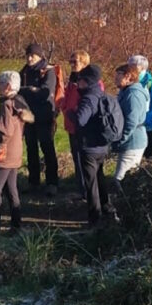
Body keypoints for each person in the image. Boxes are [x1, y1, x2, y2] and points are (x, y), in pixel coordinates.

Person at [0, 71, 33, 233]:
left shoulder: (7, 105)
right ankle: (16, 223)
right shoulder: (19, 102)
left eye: (0, 83)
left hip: (5, 153)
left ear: (7, 86)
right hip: (16, 151)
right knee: (11, 189)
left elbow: (4, 130)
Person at [73, 64, 117, 226]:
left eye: (80, 80)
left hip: (89, 146)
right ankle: (106, 209)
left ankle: (94, 217)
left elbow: (80, 120)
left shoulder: (88, 98)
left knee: (91, 183)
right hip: (102, 145)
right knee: (100, 178)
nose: (78, 84)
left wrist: (72, 113)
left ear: (86, 81)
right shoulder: (101, 94)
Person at [19, 43, 58, 195]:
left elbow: (45, 93)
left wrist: (27, 91)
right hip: (28, 116)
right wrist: (31, 91)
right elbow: (18, 90)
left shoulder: (48, 71)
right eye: (27, 55)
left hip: (44, 117)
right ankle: (33, 182)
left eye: (32, 55)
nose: (29, 58)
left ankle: (52, 183)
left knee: (47, 149)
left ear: (40, 56)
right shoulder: (24, 71)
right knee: (31, 150)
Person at [61, 50, 94, 199]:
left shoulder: (89, 81)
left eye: (75, 62)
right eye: (71, 61)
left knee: (84, 160)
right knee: (77, 159)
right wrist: (65, 108)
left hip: (83, 126)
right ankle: (82, 190)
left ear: (85, 63)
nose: (72, 65)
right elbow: (66, 98)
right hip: (71, 125)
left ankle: (88, 192)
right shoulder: (73, 79)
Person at [111, 63, 148, 192]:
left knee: (120, 179)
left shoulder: (133, 95)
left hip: (132, 141)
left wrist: (121, 140)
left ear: (128, 77)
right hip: (131, 140)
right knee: (127, 179)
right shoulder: (125, 92)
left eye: (118, 75)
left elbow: (131, 121)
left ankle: (125, 205)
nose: (115, 78)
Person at [127, 55, 152, 160]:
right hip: (133, 129)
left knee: (149, 159)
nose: (130, 68)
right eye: (129, 65)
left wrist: (144, 120)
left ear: (142, 68)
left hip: (149, 128)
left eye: (133, 66)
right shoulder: (129, 83)